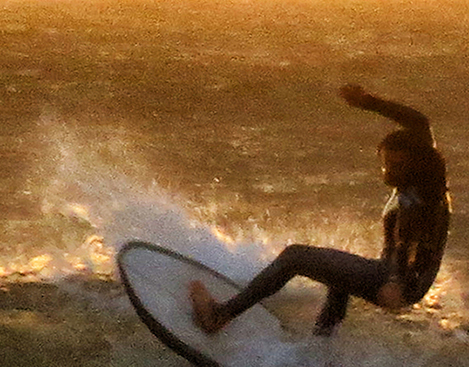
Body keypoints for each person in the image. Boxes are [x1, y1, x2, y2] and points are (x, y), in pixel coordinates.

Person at [191, 83, 451, 336]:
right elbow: (419, 122)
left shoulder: (416, 206)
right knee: (338, 272)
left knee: (295, 257)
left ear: (416, 165)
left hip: (396, 281)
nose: (388, 171)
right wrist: (367, 102)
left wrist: (395, 282)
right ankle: (324, 338)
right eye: (386, 164)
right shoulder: (426, 178)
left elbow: (409, 244)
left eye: (396, 166)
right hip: (408, 281)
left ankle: (220, 316)